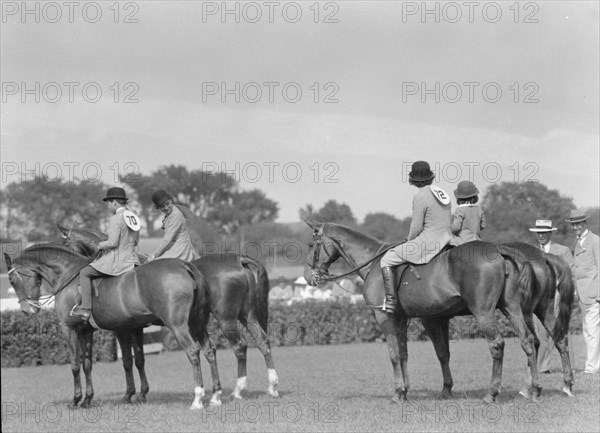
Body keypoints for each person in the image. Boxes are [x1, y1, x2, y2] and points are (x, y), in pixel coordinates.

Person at [379, 161, 453, 313]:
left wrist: (410, 239)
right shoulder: (441, 192)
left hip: (429, 241)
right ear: (430, 177)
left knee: (386, 259)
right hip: (448, 238)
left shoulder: (420, 196)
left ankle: (391, 301)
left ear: (414, 179)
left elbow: (416, 227)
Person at [71, 187, 140, 320]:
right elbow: (135, 242)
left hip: (117, 260)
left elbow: (113, 242)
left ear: (114, 202)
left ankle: (85, 308)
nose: (107, 205)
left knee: (84, 272)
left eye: (108, 202)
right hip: (132, 259)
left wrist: (99, 245)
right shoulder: (133, 217)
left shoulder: (116, 219)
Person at [528, 219, 574, 373]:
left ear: (550, 233)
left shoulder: (562, 250)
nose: (540, 235)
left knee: (555, 329)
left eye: (544, 232)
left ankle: (555, 365)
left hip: (557, 293)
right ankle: (542, 366)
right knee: (539, 330)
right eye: (538, 232)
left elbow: (570, 273)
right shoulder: (532, 252)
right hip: (537, 296)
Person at [567, 209, 600, 375]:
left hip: (594, 295)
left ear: (584, 223)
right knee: (588, 331)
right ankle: (593, 365)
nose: (575, 227)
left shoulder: (595, 241)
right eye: (573, 224)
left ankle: (592, 367)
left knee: (592, 331)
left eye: (578, 224)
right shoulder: (578, 243)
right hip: (582, 295)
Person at [147, 189, 199, 262]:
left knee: (154, 264)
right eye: (162, 206)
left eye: (167, 204)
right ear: (158, 208)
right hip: (174, 248)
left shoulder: (175, 215)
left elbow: (167, 239)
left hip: (180, 250)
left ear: (171, 200)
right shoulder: (169, 215)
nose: (166, 208)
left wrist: (154, 255)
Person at [451, 180, 486, 245]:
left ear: (459, 198)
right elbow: (483, 225)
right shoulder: (479, 209)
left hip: (461, 242)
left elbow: (456, 228)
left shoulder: (460, 210)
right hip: (478, 241)